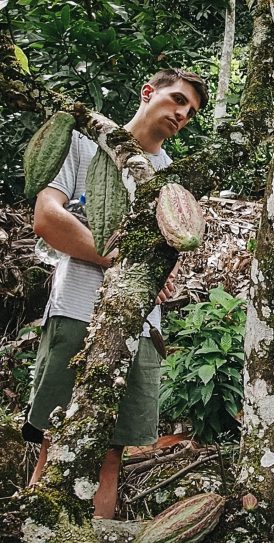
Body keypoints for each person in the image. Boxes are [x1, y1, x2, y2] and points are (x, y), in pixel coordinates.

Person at [24, 68, 208, 518]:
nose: (183, 114)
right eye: (177, 99)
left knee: (111, 457)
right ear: (148, 92)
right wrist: (123, 257)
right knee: (56, 444)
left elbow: (173, 244)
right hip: (77, 313)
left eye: (192, 111)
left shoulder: (169, 173)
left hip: (141, 328)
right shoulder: (86, 143)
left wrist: (152, 268)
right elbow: (47, 219)